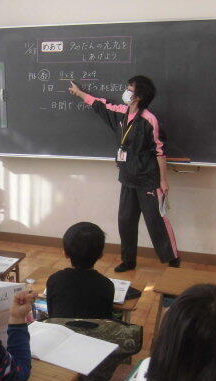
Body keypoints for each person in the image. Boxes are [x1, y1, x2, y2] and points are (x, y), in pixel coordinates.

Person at [69, 76, 179, 273]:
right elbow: (99, 105)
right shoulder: (120, 112)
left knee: (155, 220)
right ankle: (128, 260)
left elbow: (159, 152)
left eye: (130, 88)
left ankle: (172, 258)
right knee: (126, 220)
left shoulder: (149, 120)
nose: (126, 91)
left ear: (139, 96)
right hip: (128, 178)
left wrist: (163, 180)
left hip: (148, 179)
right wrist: (79, 93)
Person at [46, 222, 114, 318]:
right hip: (94, 328)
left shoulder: (54, 280)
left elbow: (51, 314)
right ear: (101, 255)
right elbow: (107, 318)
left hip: (59, 327)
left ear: (65, 254)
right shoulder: (107, 285)